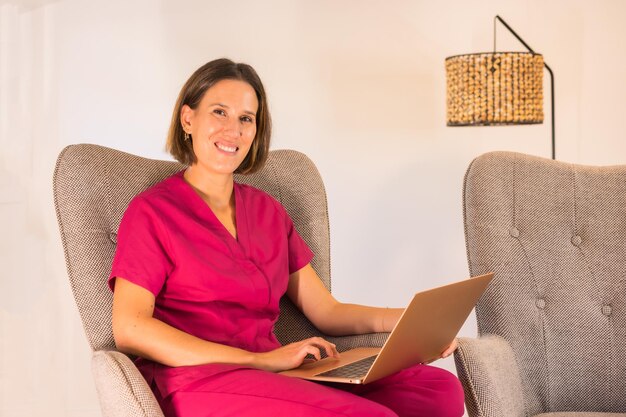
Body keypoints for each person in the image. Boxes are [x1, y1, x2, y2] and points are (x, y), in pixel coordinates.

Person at [109, 58, 464, 417]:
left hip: (275, 372)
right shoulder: (152, 212)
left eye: (246, 118)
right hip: (197, 380)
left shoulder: (267, 211)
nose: (233, 130)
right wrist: (258, 360)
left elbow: (327, 311)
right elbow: (130, 328)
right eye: (220, 112)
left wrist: (409, 323)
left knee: (437, 389)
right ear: (188, 119)